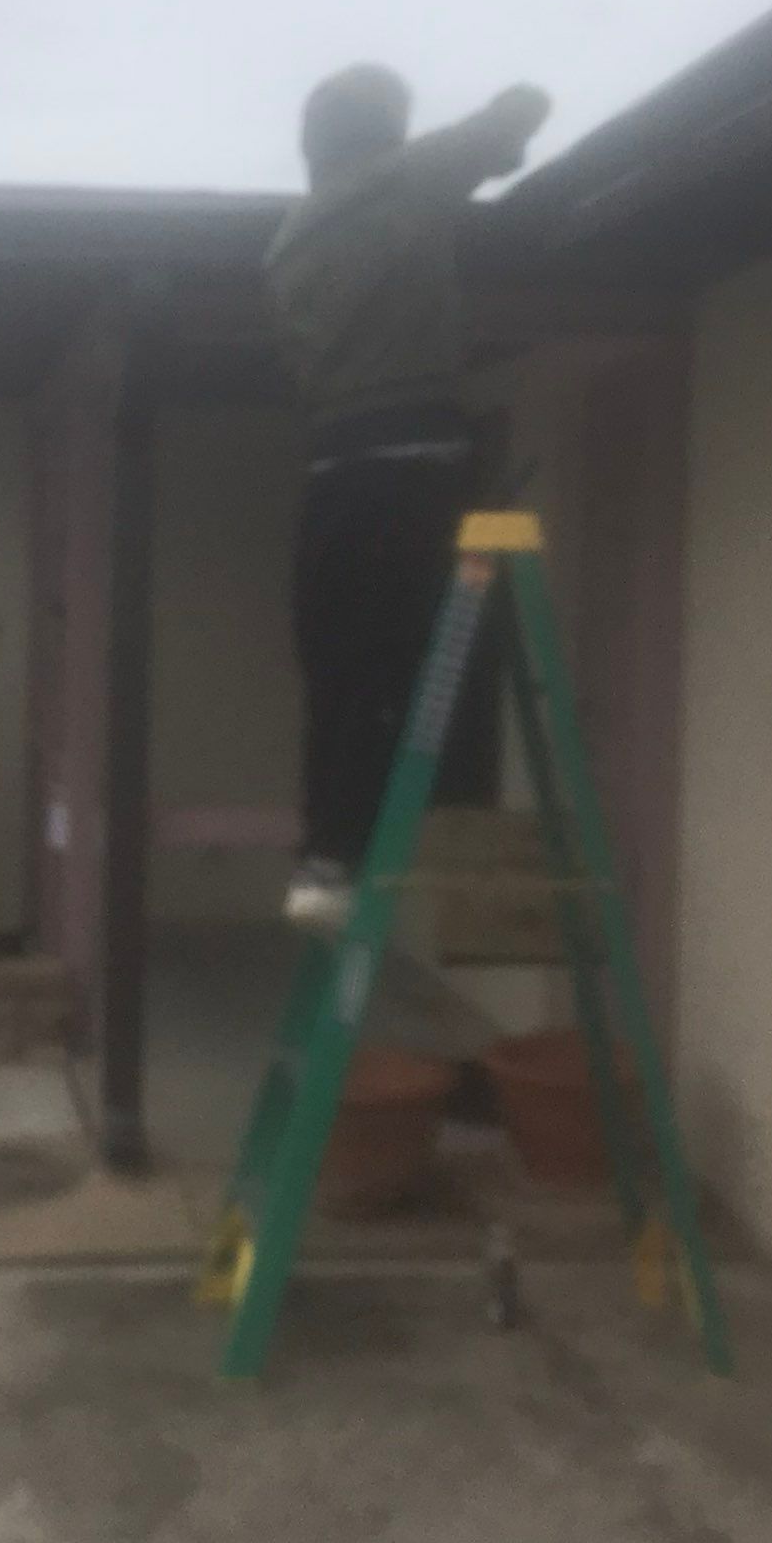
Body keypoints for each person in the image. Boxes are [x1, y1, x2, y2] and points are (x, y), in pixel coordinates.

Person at [262, 62, 552, 934]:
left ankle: (325, 856)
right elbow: (518, 114)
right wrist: (498, 123)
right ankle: (426, 825)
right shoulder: (406, 177)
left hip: (331, 466)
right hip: (414, 455)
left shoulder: (288, 239)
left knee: (337, 666)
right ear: (383, 129)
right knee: (412, 656)